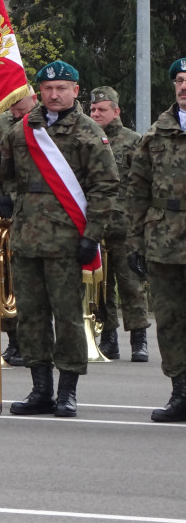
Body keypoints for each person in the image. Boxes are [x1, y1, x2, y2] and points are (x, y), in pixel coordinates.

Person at [0, 60, 118, 417]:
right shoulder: (21, 130)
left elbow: (105, 188)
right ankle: (40, 390)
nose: (54, 94)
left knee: (67, 318)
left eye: (62, 88)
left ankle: (67, 392)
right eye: (47, 89)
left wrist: (92, 235)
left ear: (75, 91)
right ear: (38, 93)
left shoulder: (89, 132)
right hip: (27, 239)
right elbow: (7, 174)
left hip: (67, 241)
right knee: (31, 317)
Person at [126, 58, 186, 422]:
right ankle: (180, 392)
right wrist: (135, 242)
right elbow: (137, 191)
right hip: (164, 240)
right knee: (170, 319)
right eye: (179, 80)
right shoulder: (155, 134)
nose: (184, 86)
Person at [88, 86, 149, 362]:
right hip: (96, 225)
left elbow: (142, 184)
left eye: (102, 109)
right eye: (93, 109)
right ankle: (108, 337)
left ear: (116, 111)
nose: (96, 113)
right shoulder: (87, 139)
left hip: (124, 225)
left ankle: (139, 339)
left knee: (130, 284)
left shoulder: (133, 140)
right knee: (100, 286)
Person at [0, 91, 38, 366]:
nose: (15, 114)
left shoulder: (45, 124)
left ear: (32, 96)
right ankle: (15, 341)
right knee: (4, 280)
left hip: (34, 214)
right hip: (4, 213)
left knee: (26, 284)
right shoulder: (0, 123)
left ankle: (31, 344)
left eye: (19, 108)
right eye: (12, 109)